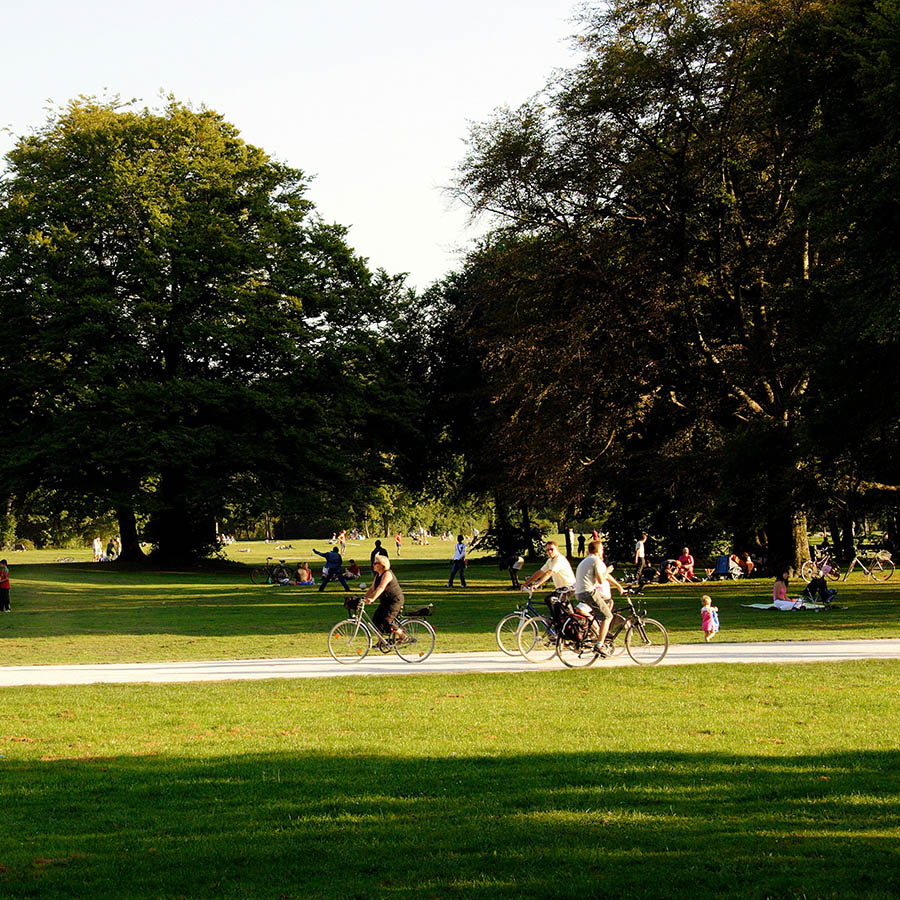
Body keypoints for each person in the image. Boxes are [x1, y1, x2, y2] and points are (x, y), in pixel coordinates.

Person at [574, 540, 624, 655]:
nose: (603, 551)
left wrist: (618, 586)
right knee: (608, 616)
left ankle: (597, 628)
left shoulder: (586, 560)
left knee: (608, 600)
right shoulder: (595, 561)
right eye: (602, 549)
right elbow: (601, 580)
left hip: (580, 592)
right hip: (588, 592)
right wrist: (608, 570)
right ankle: (600, 644)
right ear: (597, 550)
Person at [365, 555, 405, 640]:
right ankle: (381, 641)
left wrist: (373, 599)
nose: (373, 565)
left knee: (387, 620)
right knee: (376, 620)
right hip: (385, 601)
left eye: (376, 563)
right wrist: (363, 597)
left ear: (382, 565)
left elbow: (381, 587)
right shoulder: (378, 576)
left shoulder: (387, 574)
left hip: (394, 601)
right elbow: (372, 588)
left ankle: (402, 636)